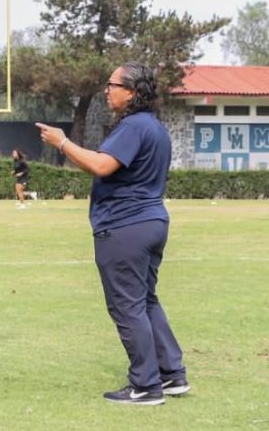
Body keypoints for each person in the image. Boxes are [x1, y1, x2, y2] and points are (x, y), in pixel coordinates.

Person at [37, 63, 189, 406]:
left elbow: (102, 165)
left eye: (112, 84)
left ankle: (146, 385)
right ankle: (171, 374)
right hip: (152, 222)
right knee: (146, 300)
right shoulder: (155, 128)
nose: (107, 90)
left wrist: (62, 143)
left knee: (127, 306)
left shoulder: (133, 126)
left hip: (124, 226)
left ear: (131, 91)